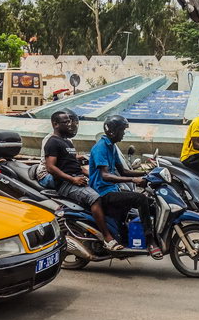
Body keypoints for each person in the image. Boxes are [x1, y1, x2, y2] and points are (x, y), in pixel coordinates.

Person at [37, 109, 122, 251]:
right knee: (95, 198)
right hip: (66, 183)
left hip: (76, 180)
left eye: (70, 121)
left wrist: (92, 175)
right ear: (55, 124)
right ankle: (107, 238)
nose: (70, 124)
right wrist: (72, 179)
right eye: (66, 122)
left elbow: (74, 165)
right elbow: (50, 167)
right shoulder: (52, 142)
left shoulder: (67, 143)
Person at [89, 115, 163, 259]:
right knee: (140, 199)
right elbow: (105, 175)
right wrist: (134, 179)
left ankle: (128, 237)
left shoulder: (111, 147)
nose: (123, 133)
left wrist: (148, 173)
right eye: (122, 130)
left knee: (150, 202)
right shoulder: (101, 148)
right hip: (103, 193)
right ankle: (150, 241)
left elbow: (123, 171)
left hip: (112, 190)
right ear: (112, 131)